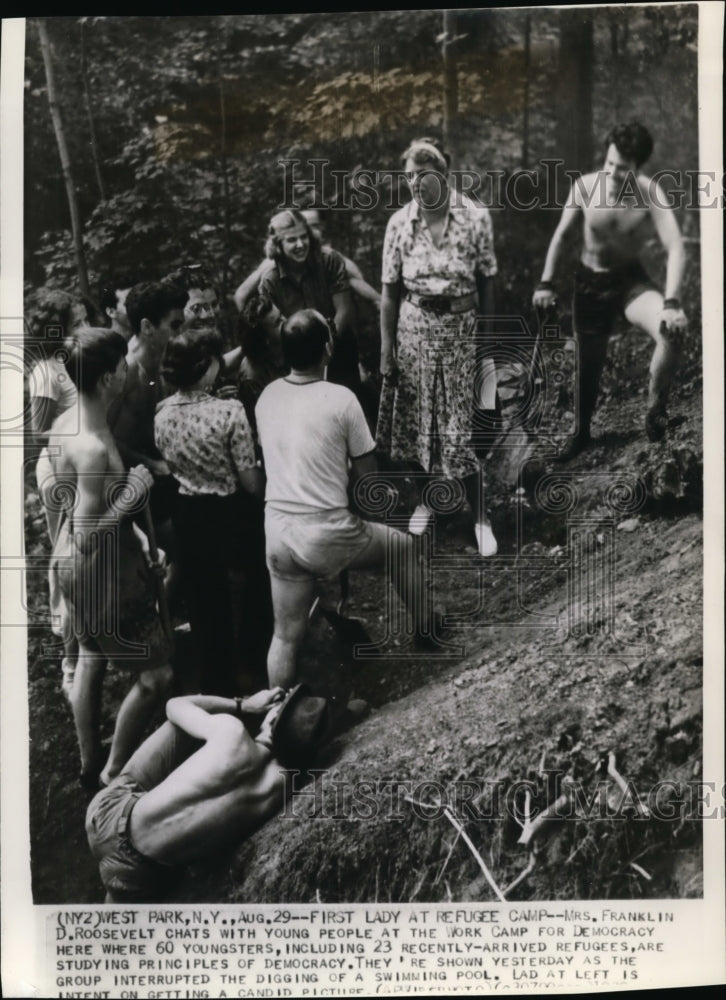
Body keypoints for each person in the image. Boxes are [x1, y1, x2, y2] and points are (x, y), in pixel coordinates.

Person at [255, 309, 442, 690]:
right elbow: (369, 483)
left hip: (277, 531)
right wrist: (382, 508)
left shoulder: (266, 396)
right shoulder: (341, 399)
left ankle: (275, 716)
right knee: (401, 548)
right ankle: (427, 630)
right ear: (327, 348)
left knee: (285, 635)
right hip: (323, 529)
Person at [48, 327, 173, 790]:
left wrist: (141, 542)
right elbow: (85, 533)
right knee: (158, 676)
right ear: (105, 379)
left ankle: (86, 764)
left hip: (79, 566)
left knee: (90, 657)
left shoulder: (69, 421)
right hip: (96, 570)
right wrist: (133, 494)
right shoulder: (95, 448)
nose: (128, 368)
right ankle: (114, 769)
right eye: (121, 363)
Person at [85, 686, 330, 902]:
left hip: (107, 815)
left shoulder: (231, 733)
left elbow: (174, 704)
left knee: (181, 721)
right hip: (143, 872)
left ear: (273, 717)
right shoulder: (281, 789)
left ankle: (109, 774)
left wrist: (244, 705)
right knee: (119, 892)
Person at [532, 121, 689, 460]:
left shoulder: (650, 193)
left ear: (638, 167)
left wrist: (673, 302)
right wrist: (545, 282)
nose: (615, 173)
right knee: (587, 368)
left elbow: (675, 246)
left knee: (671, 332)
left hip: (630, 283)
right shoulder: (585, 187)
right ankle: (581, 434)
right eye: (610, 164)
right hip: (590, 284)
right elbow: (561, 236)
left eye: (624, 168)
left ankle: (655, 411)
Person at [376, 137, 499, 557]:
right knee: (417, 427)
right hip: (413, 331)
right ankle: (428, 500)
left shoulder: (475, 217)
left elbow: (487, 280)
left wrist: (486, 343)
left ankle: (480, 516)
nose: (413, 183)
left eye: (421, 174)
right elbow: (389, 292)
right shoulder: (398, 224)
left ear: (442, 174)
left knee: (461, 430)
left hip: (460, 331)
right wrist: (386, 349)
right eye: (407, 175)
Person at [154, 327, 271, 695]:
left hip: (188, 513)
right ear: (206, 368)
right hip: (232, 512)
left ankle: (216, 684)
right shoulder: (229, 411)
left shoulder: (161, 414)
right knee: (260, 578)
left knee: (206, 603)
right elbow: (251, 482)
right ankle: (254, 663)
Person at [107, 281, 186, 582]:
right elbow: (102, 434)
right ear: (147, 326)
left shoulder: (163, 357)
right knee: (181, 548)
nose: (180, 333)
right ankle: (159, 613)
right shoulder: (124, 371)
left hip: (157, 472)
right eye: (174, 325)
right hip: (126, 483)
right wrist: (150, 463)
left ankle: (170, 607)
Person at [28, 288, 85, 698]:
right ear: (58, 329)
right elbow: (37, 434)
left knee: (82, 564)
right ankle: (70, 667)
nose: (83, 329)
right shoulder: (46, 371)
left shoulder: (67, 364)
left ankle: (86, 650)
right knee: (67, 568)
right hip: (60, 475)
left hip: (79, 470)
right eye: (77, 324)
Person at [246, 209, 361, 395]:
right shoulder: (270, 281)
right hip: (299, 362)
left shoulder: (330, 261)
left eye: (304, 237)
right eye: (291, 240)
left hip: (338, 349)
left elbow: (344, 310)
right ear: (278, 245)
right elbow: (273, 331)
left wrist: (328, 348)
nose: (300, 244)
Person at [236, 291, 287, 441]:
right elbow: (266, 429)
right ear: (265, 340)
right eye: (278, 323)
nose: (286, 321)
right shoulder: (252, 376)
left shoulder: (289, 344)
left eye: (282, 315)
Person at [98, 270, 143, 342]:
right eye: (129, 303)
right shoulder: (102, 349)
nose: (138, 308)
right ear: (111, 312)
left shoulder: (153, 341)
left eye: (139, 301)